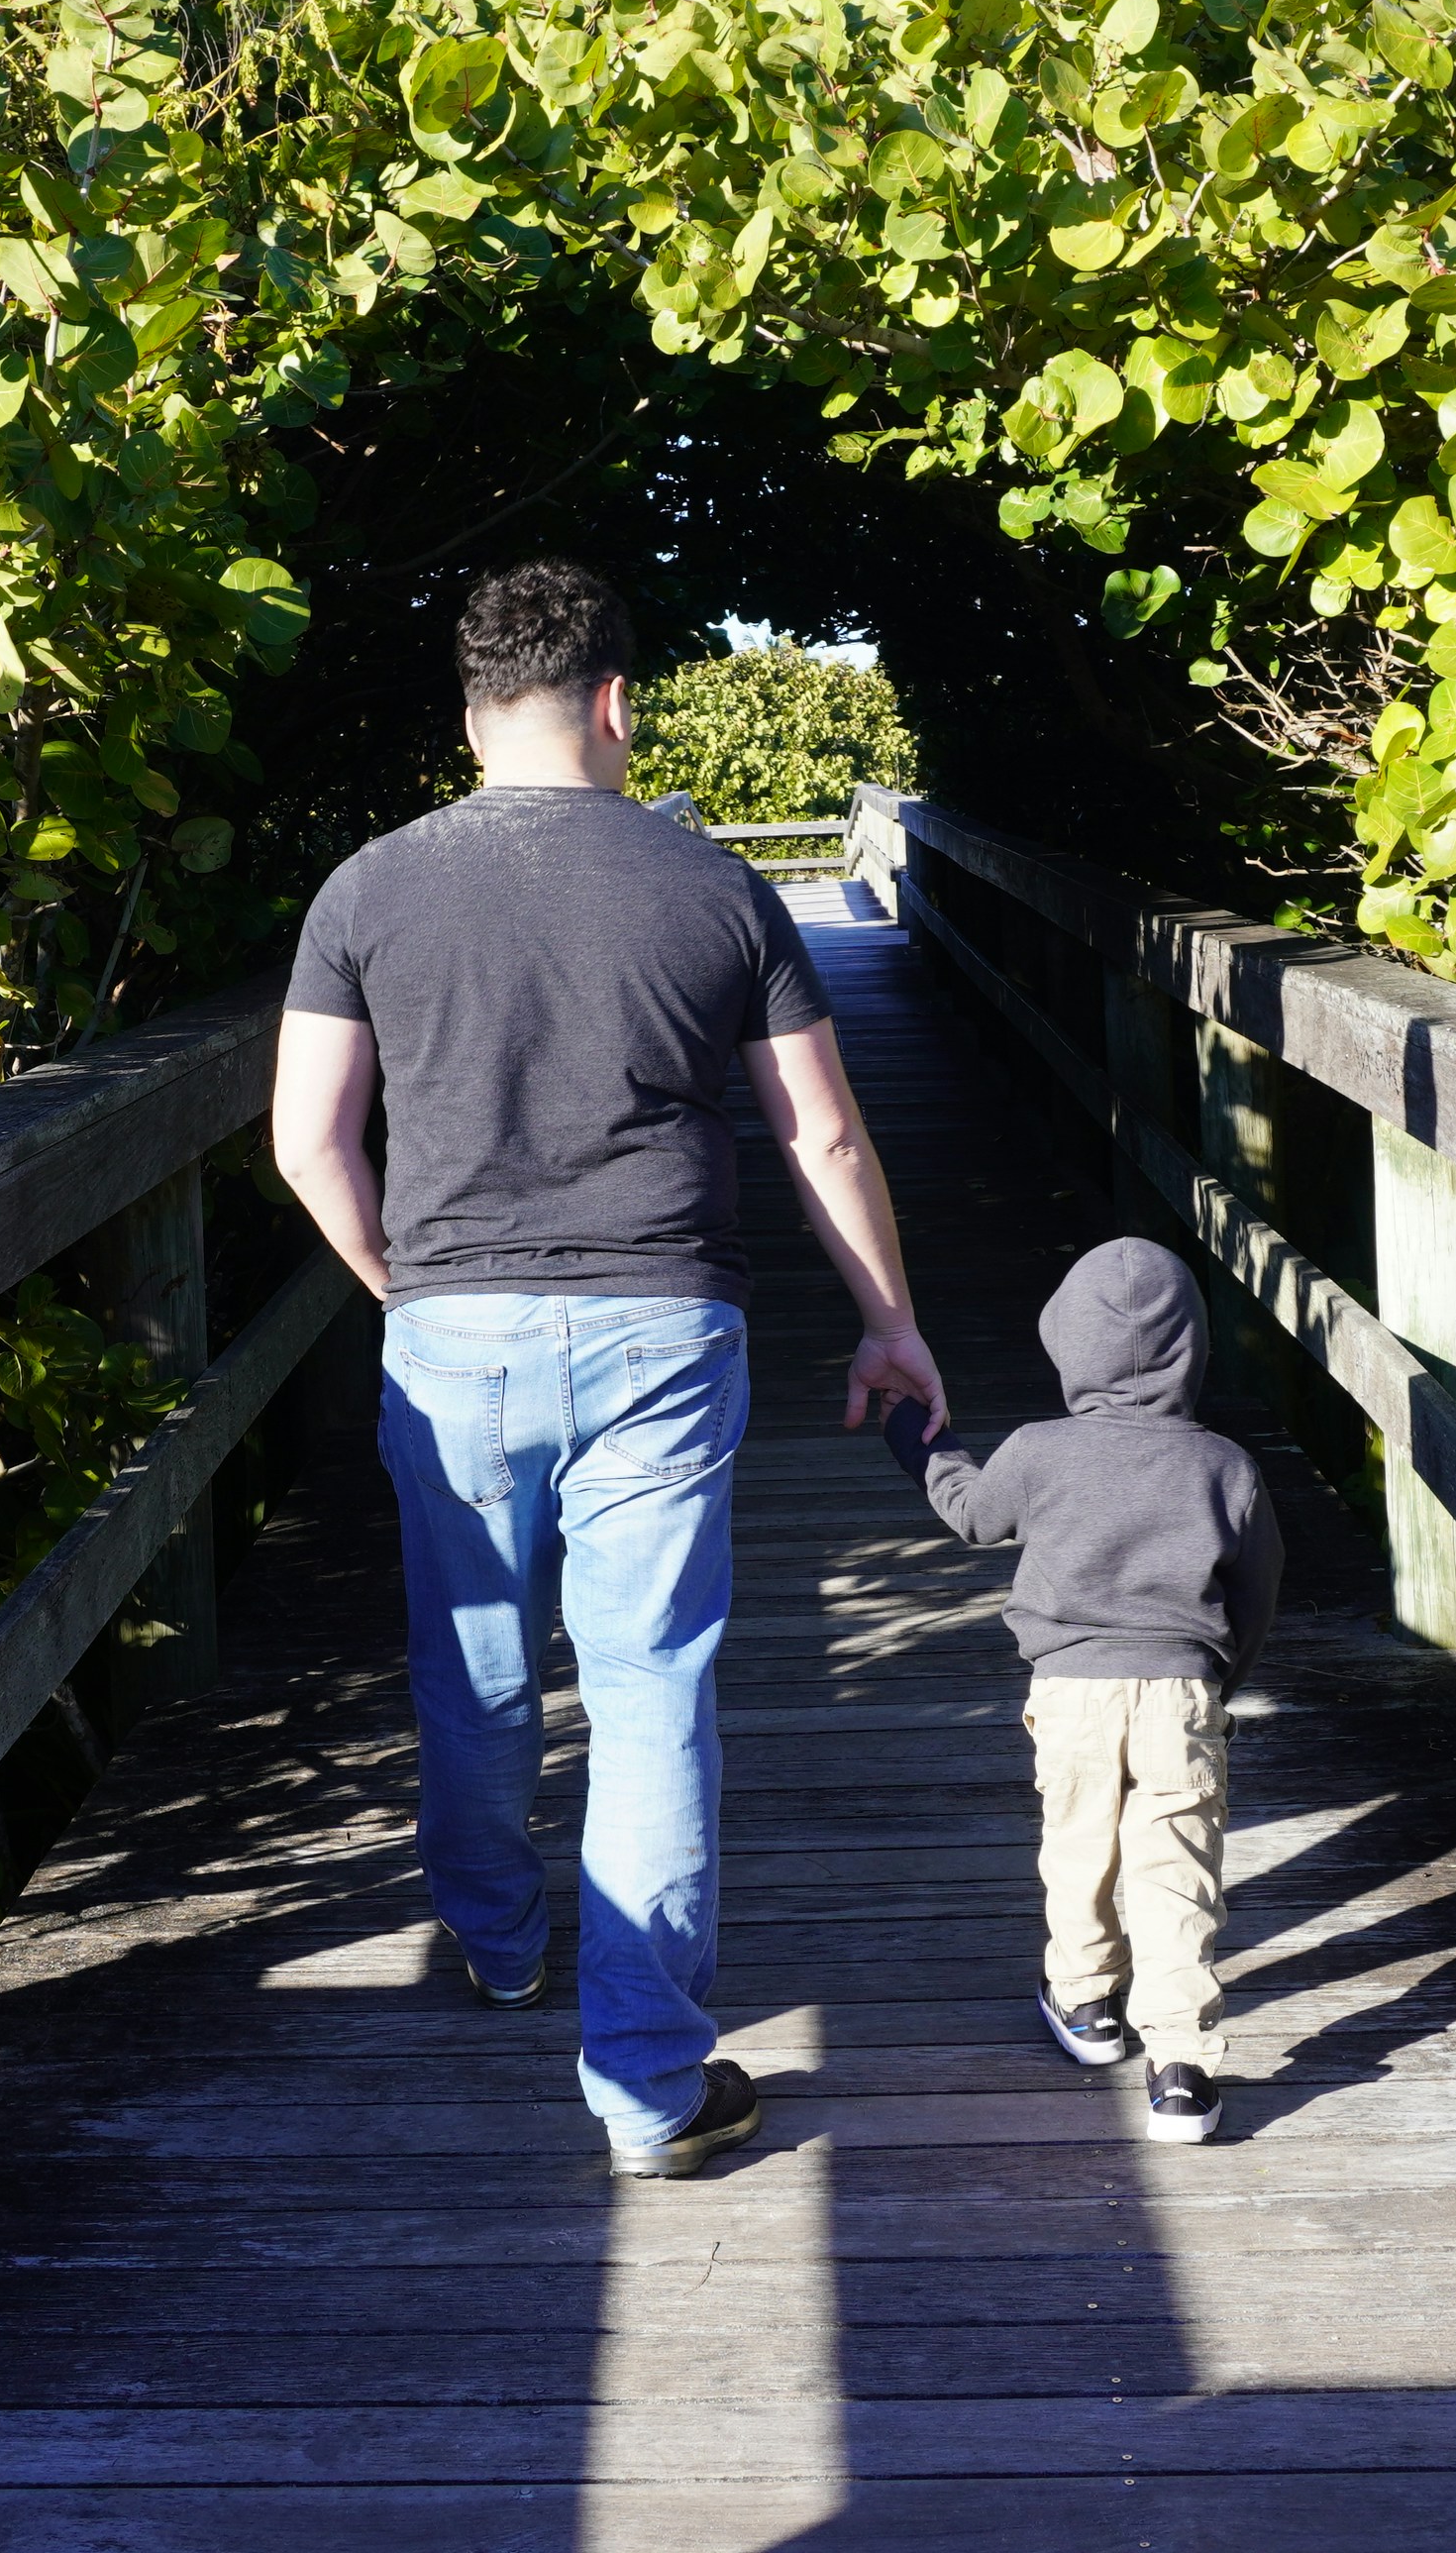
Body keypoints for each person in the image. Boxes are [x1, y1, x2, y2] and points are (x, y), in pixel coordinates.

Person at [267, 557, 948, 2179]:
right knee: (649, 1692)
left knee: (476, 1662)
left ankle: (502, 1942)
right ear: (615, 703)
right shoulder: (713, 889)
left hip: (454, 1334)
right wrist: (892, 1319)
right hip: (664, 1322)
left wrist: (400, 1290)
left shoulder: (367, 889)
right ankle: (647, 2079)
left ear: (471, 714)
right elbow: (826, 1133)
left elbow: (308, 1139)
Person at [881, 1237, 1279, 2144]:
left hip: (1069, 1694)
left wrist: (921, 1445)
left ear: (1066, 1342)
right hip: (1182, 1690)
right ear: (1195, 1349)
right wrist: (1220, 1680)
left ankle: (1088, 2005)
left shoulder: (1039, 1451)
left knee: (1078, 1850)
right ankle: (1180, 2065)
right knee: (1177, 1868)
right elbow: (1258, 1593)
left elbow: (974, 1515)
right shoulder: (1224, 1467)